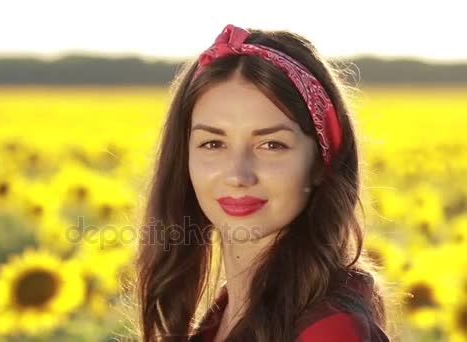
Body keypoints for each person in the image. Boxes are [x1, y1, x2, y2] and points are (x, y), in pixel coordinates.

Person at [133, 23, 393, 341]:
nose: (238, 175)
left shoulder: (330, 330)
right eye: (213, 144)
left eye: (271, 145)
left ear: (320, 163)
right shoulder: (221, 317)